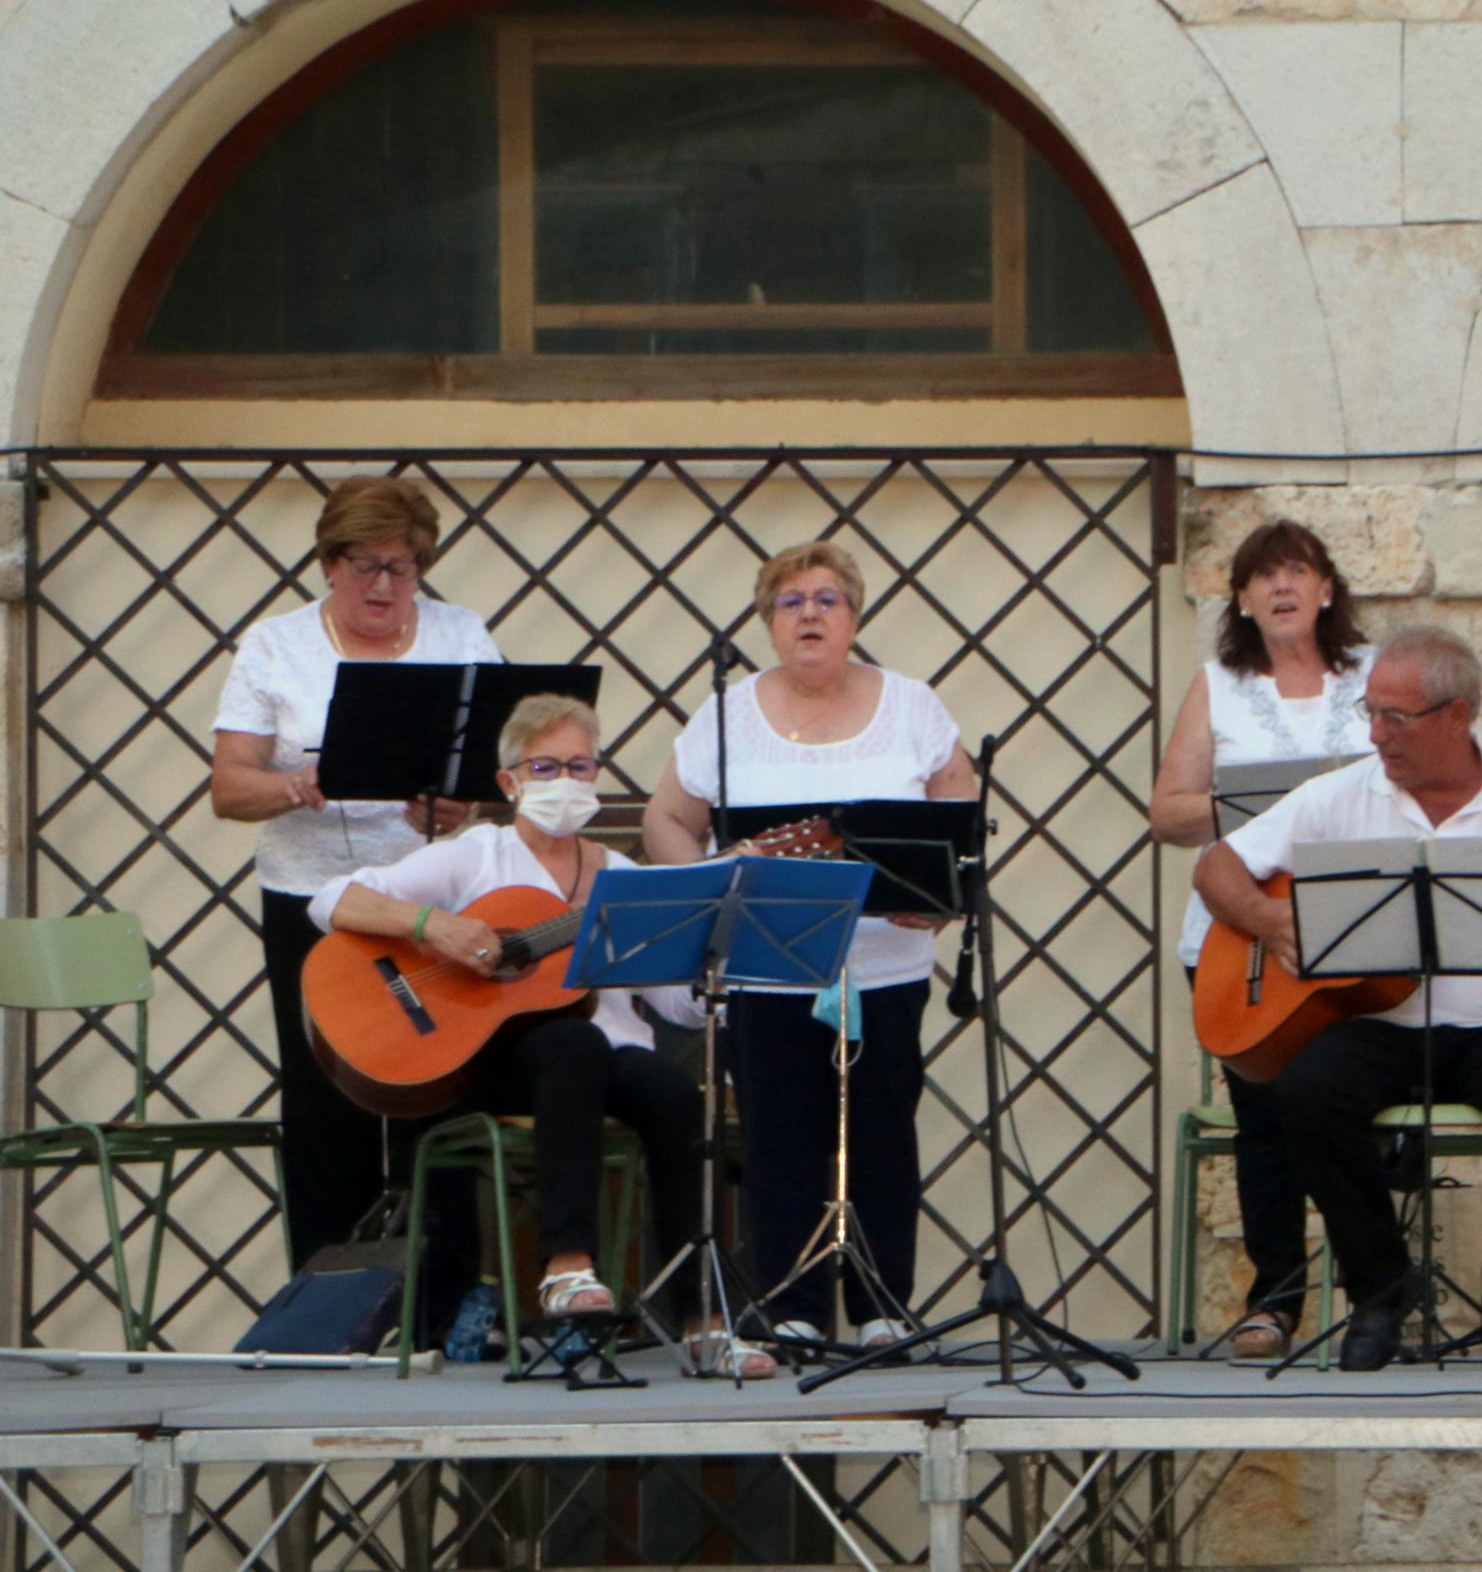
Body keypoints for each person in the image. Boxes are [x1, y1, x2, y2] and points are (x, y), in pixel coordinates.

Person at [309, 695, 770, 1377]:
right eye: (545, 766)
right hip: (491, 1061)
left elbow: (677, 1004)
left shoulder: (620, 877)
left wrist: (716, 947)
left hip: (605, 1059)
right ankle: (567, 1264)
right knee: (571, 1044)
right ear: (509, 782)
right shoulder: (476, 857)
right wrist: (435, 927)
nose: (564, 781)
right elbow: (329, 900)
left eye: (579, 766)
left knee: (675, 1093)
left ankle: (703, 1317)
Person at [1191, 625, 1482, 1372]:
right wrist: (1272, 921)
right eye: (1370, 714)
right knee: (1307, 1091)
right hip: (1379, 1019)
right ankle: (1379, 1290)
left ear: (1457, 714)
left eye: (1394, 718)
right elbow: (1217, 867)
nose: (1375, 734)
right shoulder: (1342, 792)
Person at [642, 541, 974, 1352]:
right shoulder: (726, 715)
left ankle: (878, 1305)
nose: (810, 615)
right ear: (767, 623)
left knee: (881, 1133)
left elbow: (959, 816)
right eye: (790, 602)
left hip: (883, 966)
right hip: (768, 964)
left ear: (855, 617)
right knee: (779, 1133)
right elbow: (666, 820)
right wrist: (712, 884)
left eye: (828, 600)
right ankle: (791, 1307)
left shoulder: (912, 704)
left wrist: (938, 900)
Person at [210, 475, 500, 1270]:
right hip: (311, 904)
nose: (384, 585)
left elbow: (497, 774)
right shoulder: (276, 645)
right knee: (324, 1100)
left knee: (437, 1092)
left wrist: (457, 809)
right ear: (329, 564)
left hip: (432, 901)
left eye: (402, 568)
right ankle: (326, 1305)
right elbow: (228, 788)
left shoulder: (461, 634)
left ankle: (438, 1307)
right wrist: (296, 785)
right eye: (366, 566)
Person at [1148, 519, 1374, 1358]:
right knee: (1266, 1115)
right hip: (1240, 932)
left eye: (1299, 571)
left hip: (1356, 924)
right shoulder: (1220, 685)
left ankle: (1373, 1291)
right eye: (1263, 576)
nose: (1282, 587)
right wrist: (1262, 806)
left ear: (1325, 590)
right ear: (1241, 599)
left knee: (1364, 1103)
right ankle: (1275, 1298)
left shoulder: (1371, 675)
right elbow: (1168, 812)